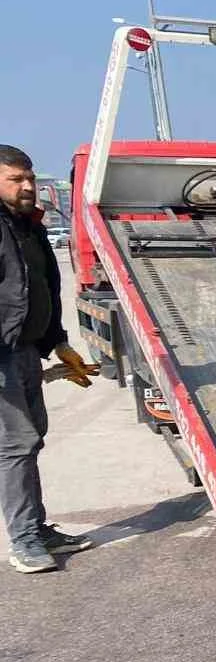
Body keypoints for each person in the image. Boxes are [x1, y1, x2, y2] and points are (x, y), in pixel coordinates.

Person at [0, 144, 94, 574]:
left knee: (32, 439)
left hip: (25, 350)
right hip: (3, 355)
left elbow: (42, 288)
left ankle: (37, 528)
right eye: (15, 179)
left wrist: (59, 342)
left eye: (30, 178)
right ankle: (24, 540)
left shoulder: (29, 226)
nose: (27, 186)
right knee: (16, 444)